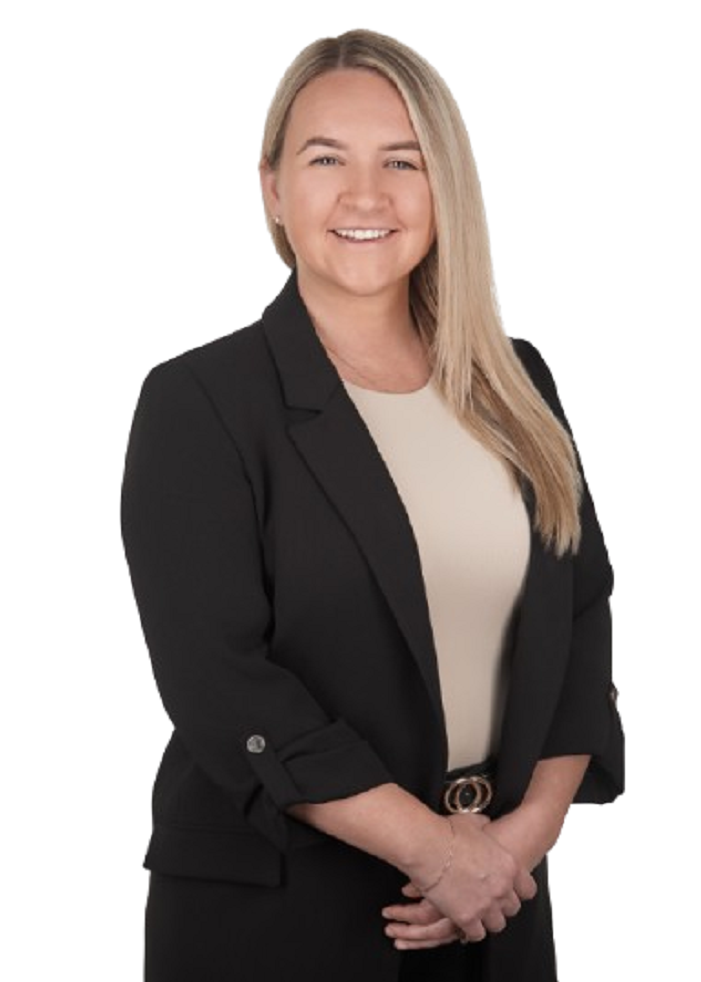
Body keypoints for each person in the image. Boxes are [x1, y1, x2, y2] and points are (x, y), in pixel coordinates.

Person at [120, 28, 624, 982]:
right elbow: (222, 682)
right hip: (277, 915)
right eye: (325, 160)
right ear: (272, 187)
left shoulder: (519, 384)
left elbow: (582, 617)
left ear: (445, 186)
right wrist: (436, 853)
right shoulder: (202, 403)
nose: (366, 195)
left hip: (494, 909)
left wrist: (514, 845)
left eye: (402, 160)